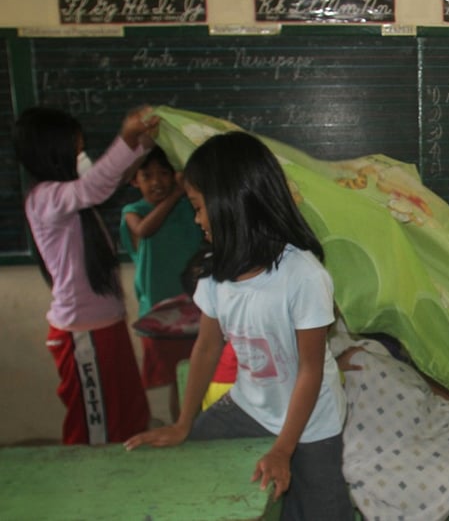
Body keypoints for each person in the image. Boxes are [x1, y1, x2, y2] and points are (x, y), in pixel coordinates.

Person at [125, 132, 352, 520]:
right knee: (190, 473)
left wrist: (283, 449)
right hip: (248, 407)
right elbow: (207, 347)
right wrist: (183, 423)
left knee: (319, 512)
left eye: (199, 208)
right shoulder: (216, 272)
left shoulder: (303, 275)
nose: (197, 219)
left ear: (231, 205)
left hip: (311, 420)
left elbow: (310, 370)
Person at [14, 105, 158, 445]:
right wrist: (126, 136)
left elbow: (111, 178)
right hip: (83, 333)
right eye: (76, 147)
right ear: (53, 150)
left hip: (105, 326)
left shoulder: (69, 188)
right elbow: (95, 187)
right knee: (94, 430)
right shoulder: (44, 198)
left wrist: (143, 145)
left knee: (129, 418)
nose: (82, 153)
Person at [120, 146, 204, 417]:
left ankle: (195, 429)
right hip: (161, 314)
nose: (157, 181)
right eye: (147, 175)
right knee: (178, 381)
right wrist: (176, 193)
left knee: (199, 376)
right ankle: (181, 429)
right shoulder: (133, 211)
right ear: (135, 181)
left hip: (197, 309)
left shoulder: (190, 207)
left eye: (164, 173)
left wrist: (185, 191)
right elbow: (144, 230)